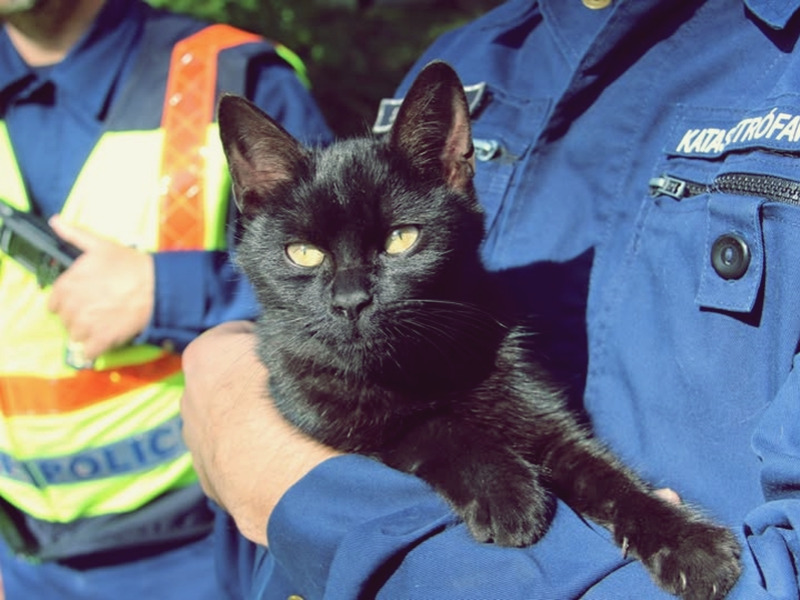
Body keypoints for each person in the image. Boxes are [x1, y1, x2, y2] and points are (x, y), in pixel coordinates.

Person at [180, 0, 800, 597]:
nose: (349, 295)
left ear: (452, 174)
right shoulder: (476, 50)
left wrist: (288, 482)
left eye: (397, 241)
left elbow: (545, 440)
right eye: (305, 255)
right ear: (254, 202)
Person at [0, 0, 331, 598]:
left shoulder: (237, 75)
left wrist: (169, 291)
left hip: (205, 548)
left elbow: (348, 291)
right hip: (21, 558)